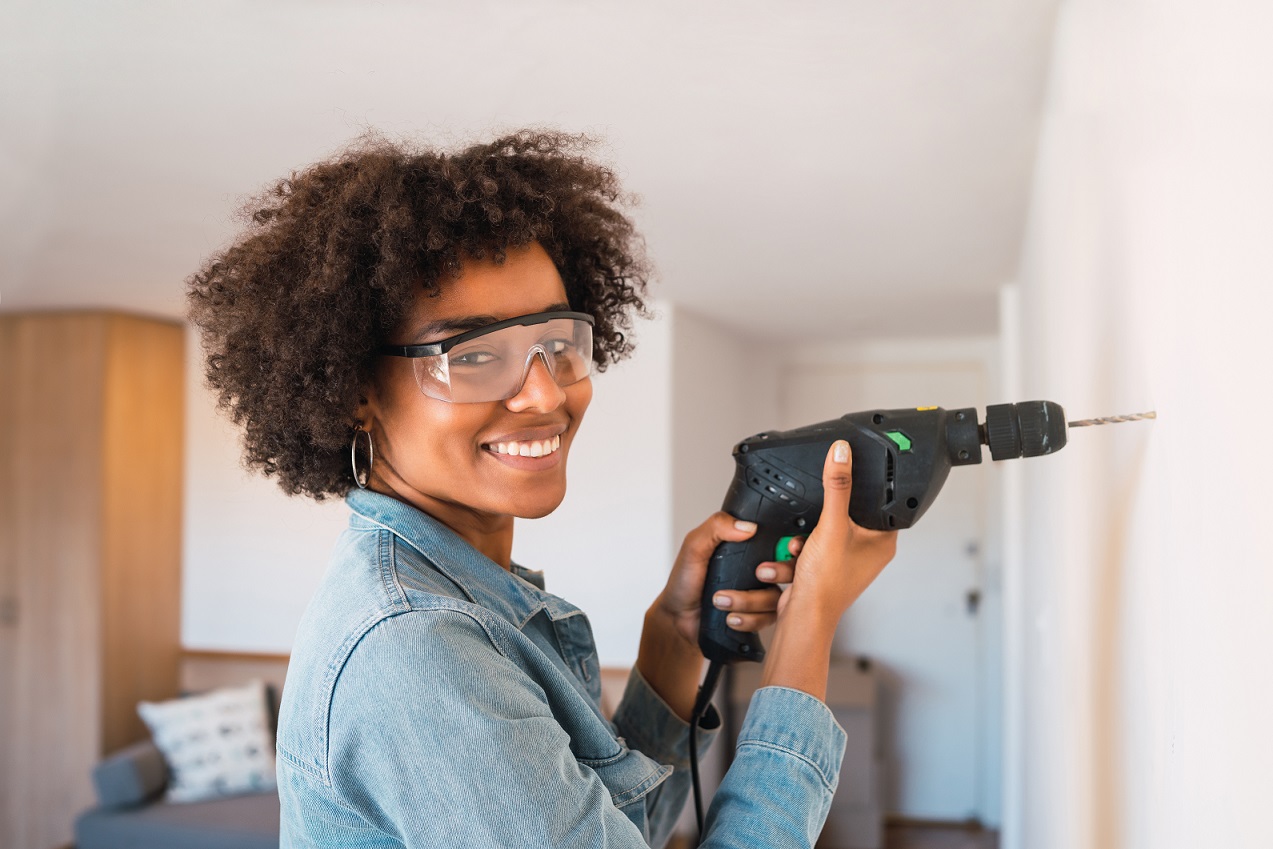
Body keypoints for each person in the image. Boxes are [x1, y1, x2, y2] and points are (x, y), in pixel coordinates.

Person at [187, 131, 897, 848]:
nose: (543, 393)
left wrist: (674, 638)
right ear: (354, 392)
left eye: (557, 343)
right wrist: (810, 624)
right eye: (473, 355)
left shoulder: (463, 601)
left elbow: (613, 832)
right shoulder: (417, 648)